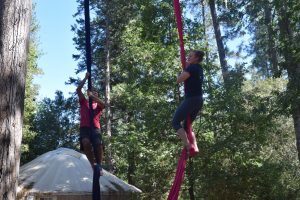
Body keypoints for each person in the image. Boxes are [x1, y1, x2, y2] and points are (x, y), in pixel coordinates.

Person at [172, 50, 204, 155]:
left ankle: (188, 145)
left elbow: (179, 80)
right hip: (199, 100)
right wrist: (186, 65)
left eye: (191, 56)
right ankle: (195, 146)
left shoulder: (191, 68)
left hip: (191, 99)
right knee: (187, 126)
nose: (188, 57)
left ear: (196, 58)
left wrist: (185, 69)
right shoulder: (199, 68)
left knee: (175, 122)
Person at [76, 72, 105, 174]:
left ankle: (99, 165)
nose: (94, 94)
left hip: (95, 129)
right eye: (92, 93)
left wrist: (93, 96)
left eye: (96, 93)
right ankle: (93, 165)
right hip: (85, 128)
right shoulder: (84, 102)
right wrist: (85, 78)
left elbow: (104, 104)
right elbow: (78, 90)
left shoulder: (98, 105)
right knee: (86, 143)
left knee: (98, 145)